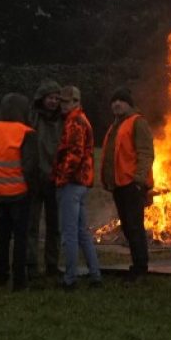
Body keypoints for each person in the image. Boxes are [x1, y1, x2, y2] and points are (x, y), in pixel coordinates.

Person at [0, 92, 40, 291]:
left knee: (3, 235)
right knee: (20, 237)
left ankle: (1, 275)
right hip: (20, 193)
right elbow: (30, 166)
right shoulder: (26, 132)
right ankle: (20, 280)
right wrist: (31, 188)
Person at [100, 86, 154, 283]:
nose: (116, 104)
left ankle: (141, 269)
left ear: (129, 104)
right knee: (128, 228)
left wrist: (139, 181)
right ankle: (136, 266)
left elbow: (146, 153)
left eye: (121, 100)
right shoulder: (115, 126)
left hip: (132, 185)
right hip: (119, 185)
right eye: (114, 101)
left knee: (135, 227)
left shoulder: (137, 122)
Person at [52, 85, 101, 290]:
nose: (63, 105)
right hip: (82, 182)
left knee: (69, 232)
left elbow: (74, 154)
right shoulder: (81, 119)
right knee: (82, 232)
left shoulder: (74, 122)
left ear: (76, 102)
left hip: (72, 183)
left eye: (67, 102)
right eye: (61, 101)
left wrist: (61, 178)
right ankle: (95, 275)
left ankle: (70, 278)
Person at [27, 78, 63, 279]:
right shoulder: (32, 119)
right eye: (50, 97)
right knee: (31, 225)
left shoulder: (63, 120)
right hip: (34, 178)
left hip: (55, 179)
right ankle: (31, 264)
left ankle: (52, 264)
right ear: (42, 98)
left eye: (57, 98)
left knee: (54, 226)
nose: (54, 101)